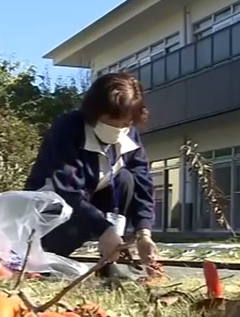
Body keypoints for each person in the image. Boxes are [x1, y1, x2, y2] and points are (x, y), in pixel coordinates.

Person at [24, 72, 157, 278]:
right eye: (112, 121)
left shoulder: (129, 135)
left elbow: (142, 180)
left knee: (126, 179)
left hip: (91, 207)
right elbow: (67, 191)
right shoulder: (68, 129)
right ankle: (44, 262)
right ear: (95, 112)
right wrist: (104, 228)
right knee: (47, 262)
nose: (119, 129)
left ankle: (108, 260)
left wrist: (143, 233)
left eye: (126, 123)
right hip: (51, 213)